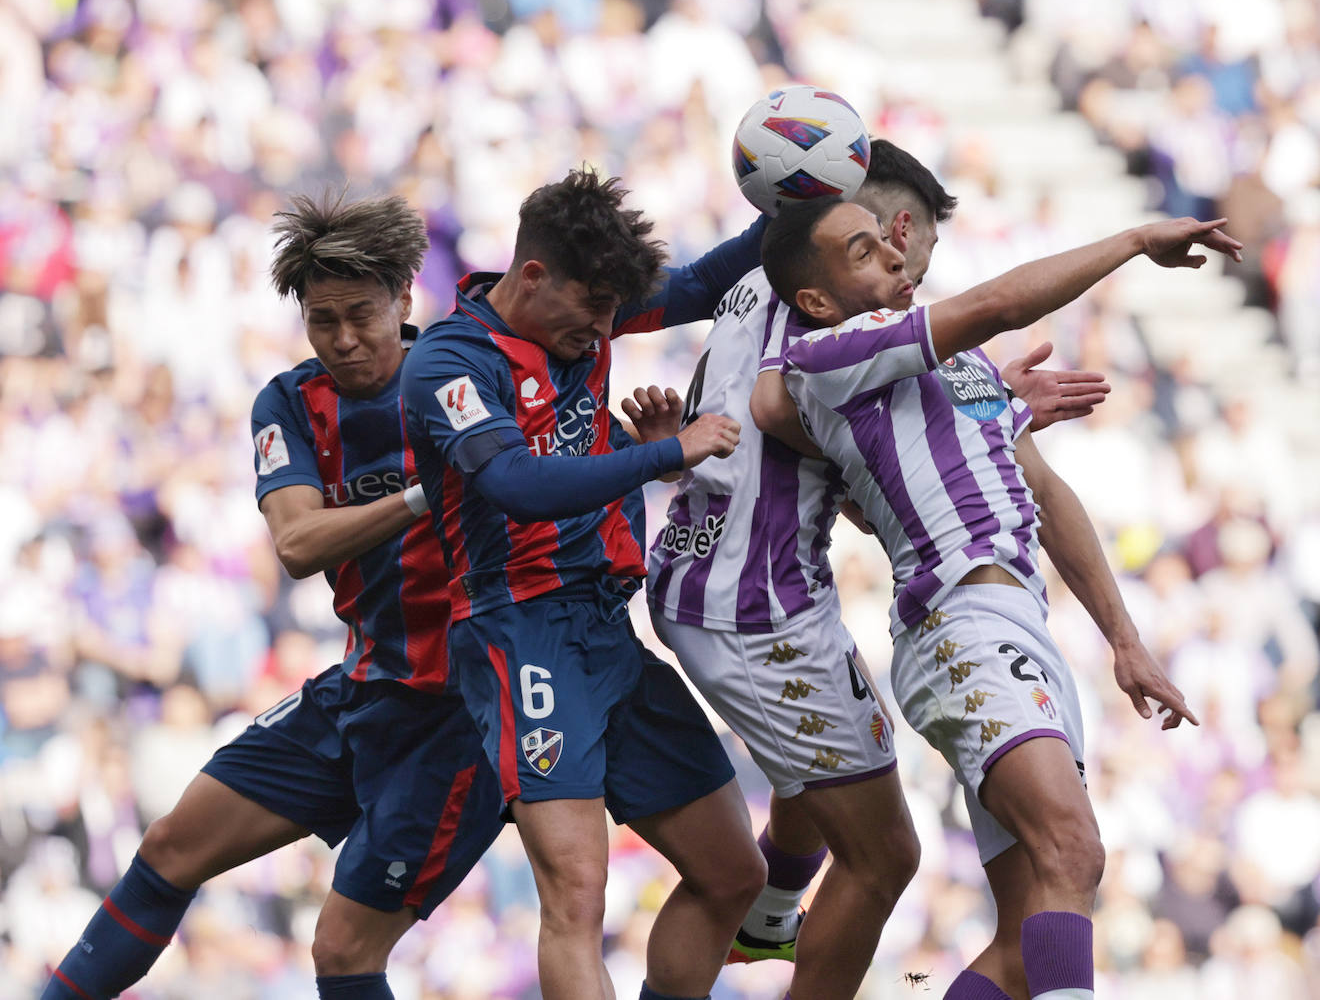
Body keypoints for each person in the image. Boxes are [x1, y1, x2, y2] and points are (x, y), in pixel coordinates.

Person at [44, 185, 766, 1000]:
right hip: (367, 681)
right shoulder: (291, 401)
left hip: (461, 703)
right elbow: (296, 542)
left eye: (363, 314)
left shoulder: (471, 367)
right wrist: (425, 488)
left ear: (403, 300)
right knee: (173, 844)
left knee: (349, 947)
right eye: (324, 321)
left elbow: (547, 468)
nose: (346, 340)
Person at [645, 140, 1113, 1000]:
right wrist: (969, 412)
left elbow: (793, 441)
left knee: (851, 767)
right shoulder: (827, 328)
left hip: (745, 582)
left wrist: (977, 413)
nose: (907, 268)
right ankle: (772, 910)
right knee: (883, 855)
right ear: (890, 225)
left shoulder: (758, 285)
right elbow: (794, 419)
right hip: (753, 601)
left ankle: (776, 906)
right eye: (900, 249)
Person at [752, 196, 1240, 1000]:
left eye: (896, 242)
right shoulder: (834, 350)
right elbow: (994, 304)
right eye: (869, 249)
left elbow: (1044, 490)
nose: (897, 257)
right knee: (1072, 848)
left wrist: (1124, 637)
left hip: (1016, 622)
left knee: (1029, 935)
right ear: (816, 296)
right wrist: (1130, 237)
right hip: (957, 621)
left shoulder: (963, 366)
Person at [401, 168, 767, 1000]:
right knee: (576, 896)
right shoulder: (450, 361)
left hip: (609, 632)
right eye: (595, 309)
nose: (607, 330)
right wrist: (671, 450)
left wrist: (794, 205)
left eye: (615, 312)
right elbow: (516, 486)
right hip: (520, 628)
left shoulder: (586, 310)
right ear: (532, 276)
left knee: (731, 871)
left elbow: (711, 282)